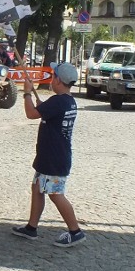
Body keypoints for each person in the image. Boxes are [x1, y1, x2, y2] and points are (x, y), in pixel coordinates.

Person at [12, 62, 85, 247]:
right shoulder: (68, 101)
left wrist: (27, 92)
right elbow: (48, 114)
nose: (51, 80)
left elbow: (31, 114)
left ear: (59, 81)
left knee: (55, 194)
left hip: (53, 158)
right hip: (53, 156)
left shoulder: (57, 102)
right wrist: (43, 108)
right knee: (37, 188)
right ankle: (31, 227)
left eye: (53, 76)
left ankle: (75, 231)